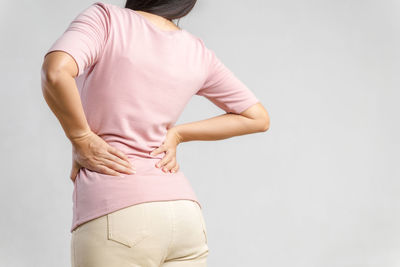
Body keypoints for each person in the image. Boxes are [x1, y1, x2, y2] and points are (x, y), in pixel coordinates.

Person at [40, 1, 270, 266]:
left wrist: (80, 137)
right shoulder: (197, 51)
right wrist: (178, 134)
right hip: (185, 216)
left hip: (118, 209)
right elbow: (257, 117)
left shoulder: (107, 19)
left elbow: (56, 71)